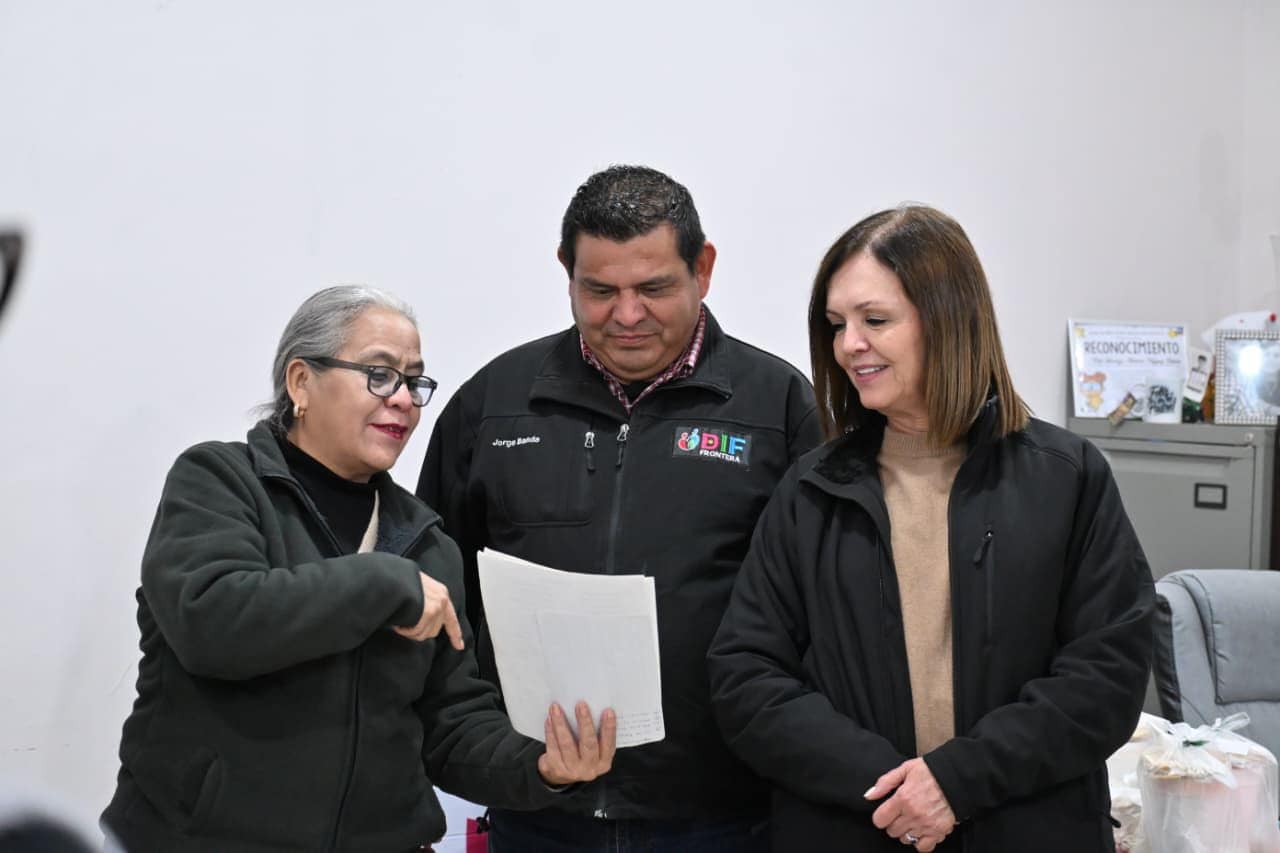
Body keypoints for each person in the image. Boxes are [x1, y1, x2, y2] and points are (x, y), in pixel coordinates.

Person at [101, 286, 615, 853]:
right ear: (301, 382)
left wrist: (541, 765)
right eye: (379, 373)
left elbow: (453, 723)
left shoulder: (428, 543)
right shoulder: (220, 481)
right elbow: (212, 622)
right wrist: (383, 582)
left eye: (414, 381)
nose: (403, 400)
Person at [707, 205, 1155, 852]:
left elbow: (1106, 675)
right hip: (852, 827)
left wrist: (957, 781)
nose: (848, 344)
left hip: (1026, 828)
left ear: (947, 320)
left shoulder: (1065, 477)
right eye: (837, 325)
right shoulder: (811, 488)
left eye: (875, 320)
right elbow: (746, 676)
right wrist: (894, 788)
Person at [417, 165, 822, 851]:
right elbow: (439, 606)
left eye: (654, 288)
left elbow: (824, 616)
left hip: (725, 818)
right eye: (599, 290)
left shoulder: (779, 409)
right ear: (566, 272)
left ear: (704, 268)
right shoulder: (494, 404)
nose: (627, 315)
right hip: (537, 809)